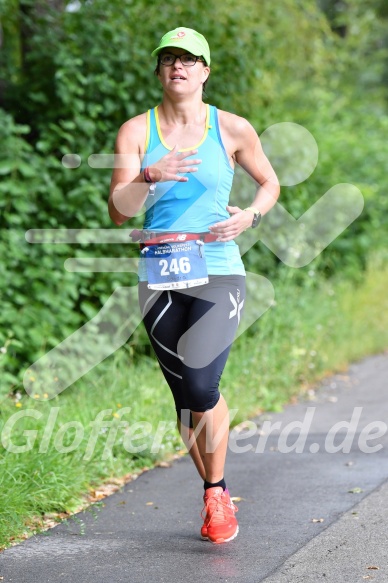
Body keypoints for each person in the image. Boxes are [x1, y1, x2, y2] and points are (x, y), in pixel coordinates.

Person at [108, 26, 280, 544]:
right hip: (159, 273)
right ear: (159, 71)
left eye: (189, 60)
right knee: (186, 396)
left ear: (205, 71)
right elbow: (119, 212)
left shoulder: (231, 129)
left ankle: (216, 491)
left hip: (218, 267)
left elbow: (270, 184)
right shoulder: (136, 132)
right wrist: (149, 176)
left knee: (203, 385)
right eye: (169, 59)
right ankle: (213, 493)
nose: (178, 67)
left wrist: (249, 216)